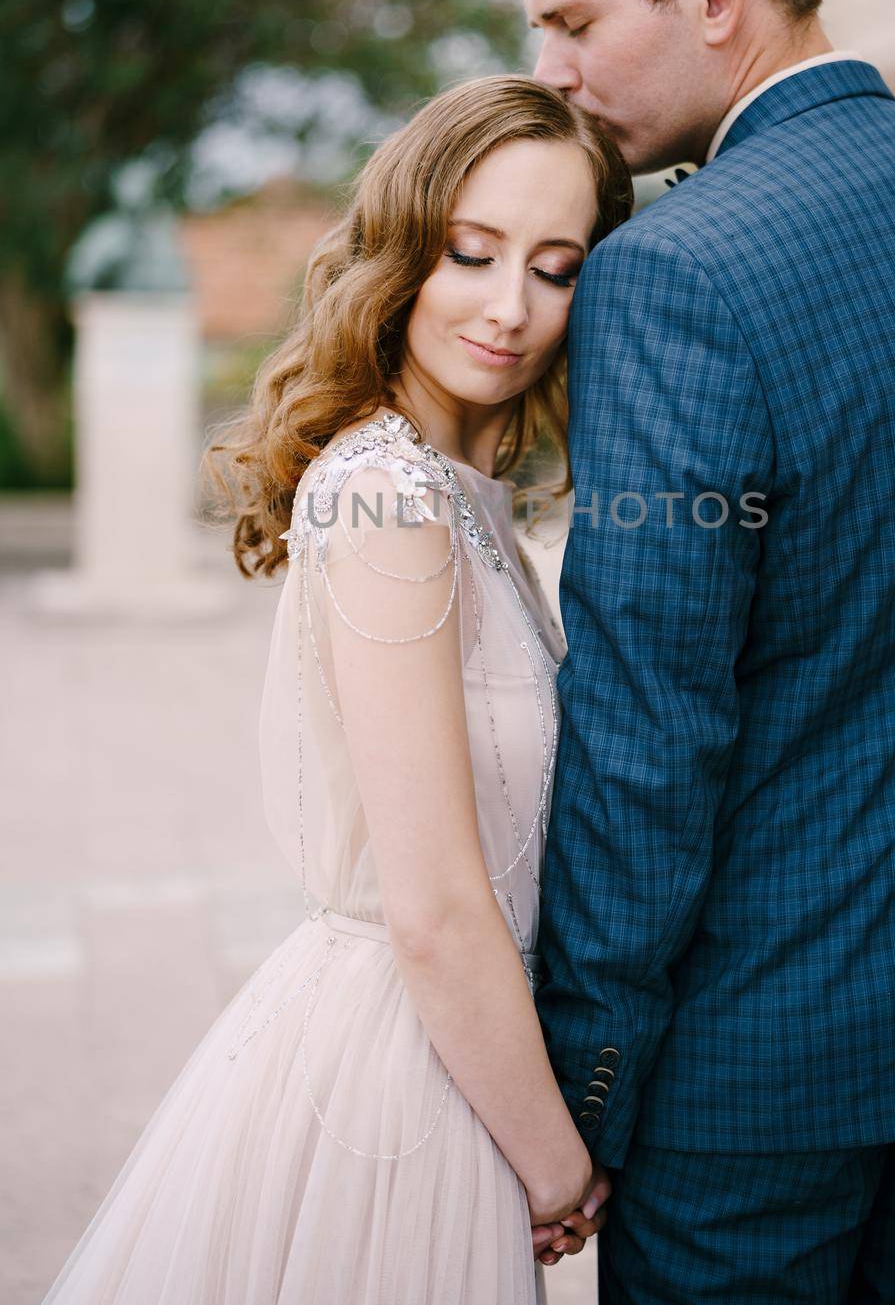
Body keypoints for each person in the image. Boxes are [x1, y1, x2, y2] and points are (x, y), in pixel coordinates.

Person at [503, 0, 895, 1301]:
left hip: (761, 1084)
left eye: (569, 20)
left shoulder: (668, 278)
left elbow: (648, 728)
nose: (547, 71)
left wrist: (587, 1075)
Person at [39, 74, 632, 1303]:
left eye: (557, 266)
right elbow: (433, 905)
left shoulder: (460, 492)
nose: (510, 307)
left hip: (455, 1049)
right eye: (471, 254)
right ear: (404, 250)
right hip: (404, 1076)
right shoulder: (387, 498)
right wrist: (554, 1162)